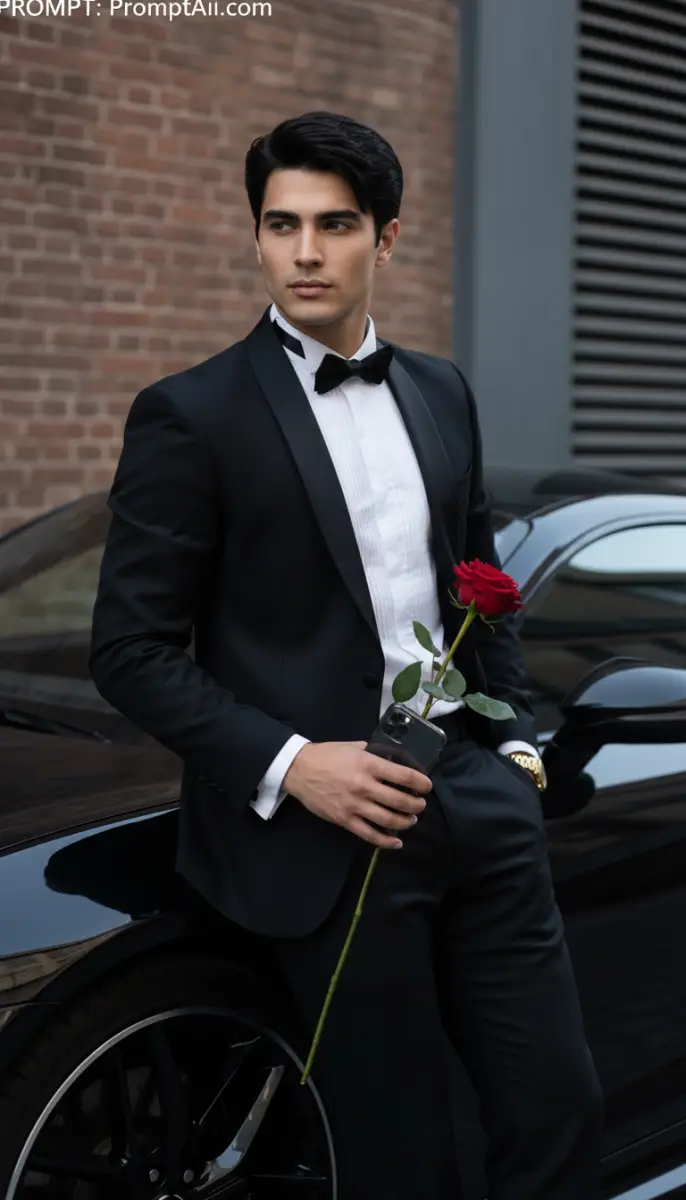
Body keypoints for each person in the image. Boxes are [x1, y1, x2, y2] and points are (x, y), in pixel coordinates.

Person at [89, 110, 602, 1199]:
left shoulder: (441, 391)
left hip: (471, 802)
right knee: (397, 1157)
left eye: (334, 224)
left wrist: (509, 741)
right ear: (257, 237)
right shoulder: (191, 414)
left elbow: (483, 584)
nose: (305, 251)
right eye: (281, 225)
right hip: (326, 843)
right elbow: (129, 649)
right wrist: (291, 765)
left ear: (387, 237)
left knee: (556, 1114)